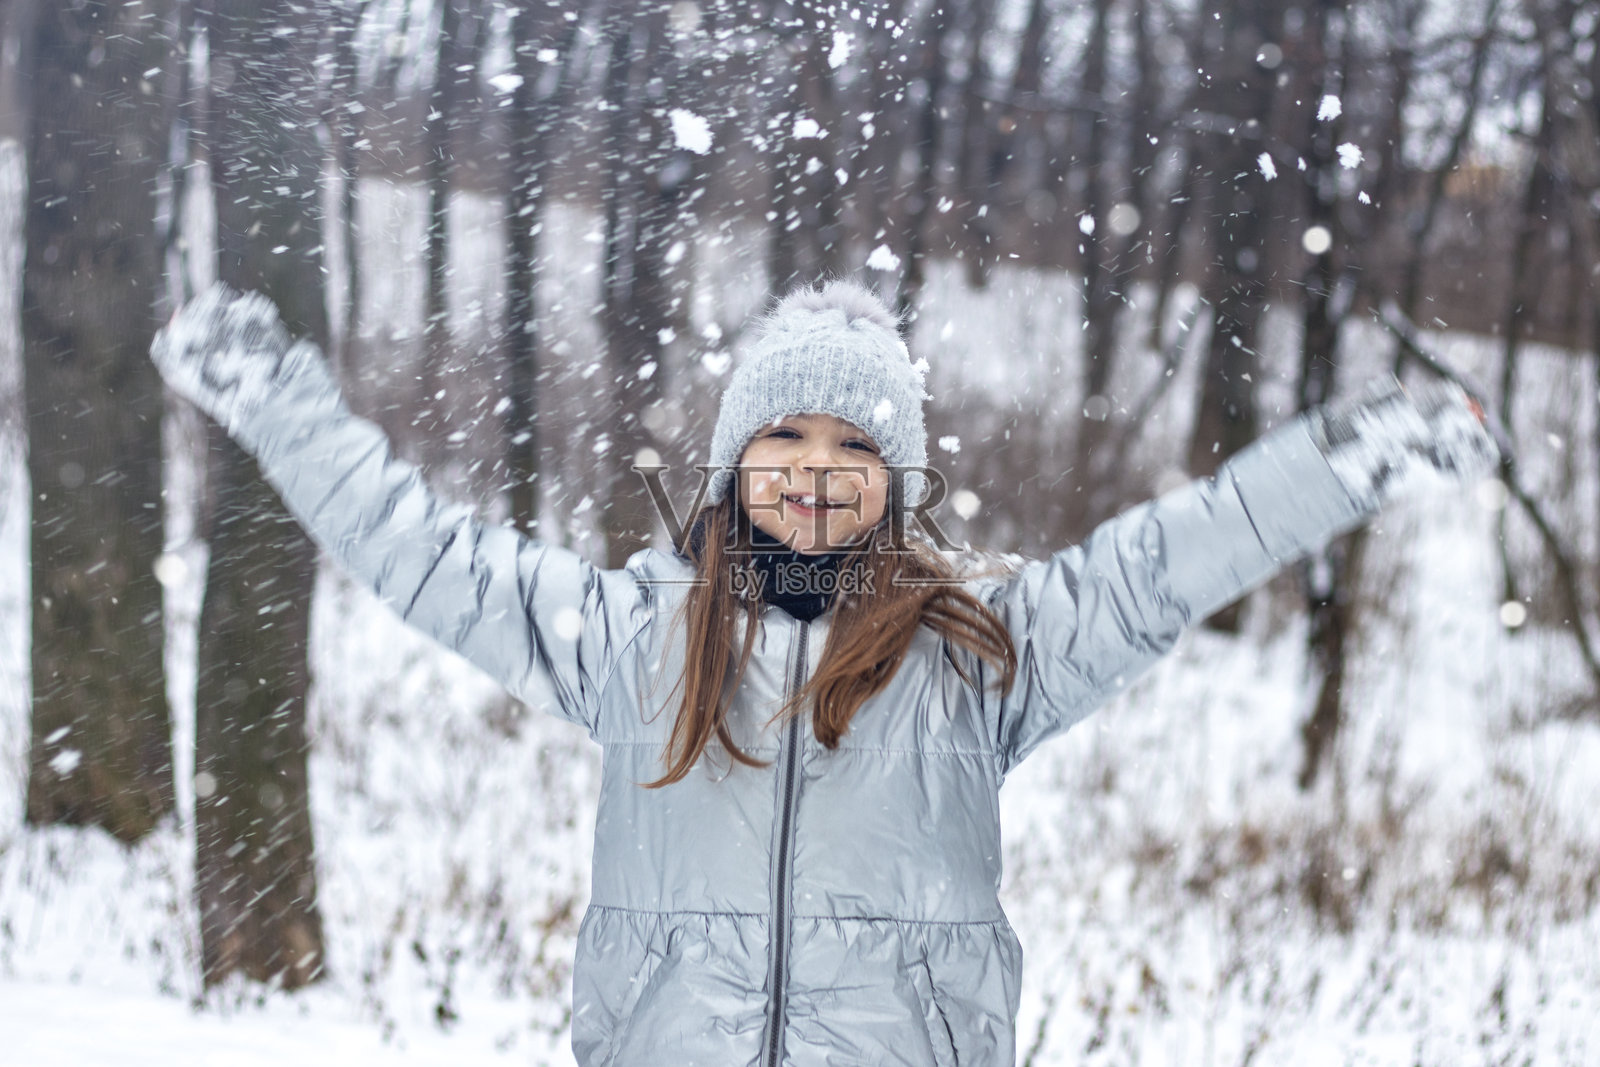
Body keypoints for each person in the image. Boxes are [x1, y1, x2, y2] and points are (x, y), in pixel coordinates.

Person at [150, 279, 1496, 1066]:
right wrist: (278, 402)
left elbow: (1169, 565)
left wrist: (1345, 456)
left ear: (895, 478)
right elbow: (416, 547)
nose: (811, 466)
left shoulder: (978, 655)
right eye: (781, 432)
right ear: (737, 459)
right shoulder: (635, 643)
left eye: (853, 442)